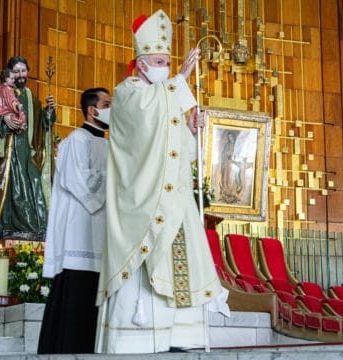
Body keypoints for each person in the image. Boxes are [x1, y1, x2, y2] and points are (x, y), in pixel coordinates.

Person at [95, 10, 226, 354]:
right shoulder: (128, 94)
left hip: (176, 204)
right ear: (140, 64)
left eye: (168, 62)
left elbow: (176, 156)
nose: (166, 67)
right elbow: (143, 128)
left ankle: (179, 337)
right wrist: (180, 78)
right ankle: (135, 338)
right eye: (159, 61)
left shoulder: (165, 96)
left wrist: (190, 131)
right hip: (142, 203)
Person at [38, 88, 112, 354]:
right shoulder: (76, 140)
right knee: (76, 298)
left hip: (102, 234)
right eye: (107, 104)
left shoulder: (109, 143)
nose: (111, 108)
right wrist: (114, 183)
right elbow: (78, 181)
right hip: (79, 234)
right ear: (92, 110)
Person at [0, 56, 56, 235]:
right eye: (16, 71)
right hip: (8, 149)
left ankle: (34, 227)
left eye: (23, 71)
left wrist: (49, 112)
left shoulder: (31, 97)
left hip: (28, 150)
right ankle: (8, 225)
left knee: (33, 182)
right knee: (10, 184)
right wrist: (3, 117)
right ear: (10, 74)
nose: (21, 75)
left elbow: (42, 122)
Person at [0, 68, 26, 133]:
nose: (14, 80)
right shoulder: (8, 89)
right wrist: (17, 105)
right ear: (6, 79)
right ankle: (21, 126)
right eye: (12, 79)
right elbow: (12, 100)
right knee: (21, 116)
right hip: (8, 112)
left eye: (14, 79)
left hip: (3, 111)